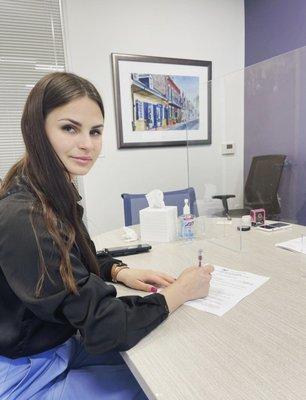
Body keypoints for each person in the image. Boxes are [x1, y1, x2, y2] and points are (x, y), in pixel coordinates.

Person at [0, 72, 213, 400]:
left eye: (95, 131)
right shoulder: (25, 216)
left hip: (56, 345)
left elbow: (69, 260)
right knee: (166, 388)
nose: (87, 144)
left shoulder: (49, 189)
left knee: (169, 363)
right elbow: (103, 325)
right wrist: (182, 291)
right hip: (29, 374)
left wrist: (117, 270)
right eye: (69, 128)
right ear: (36, 129)